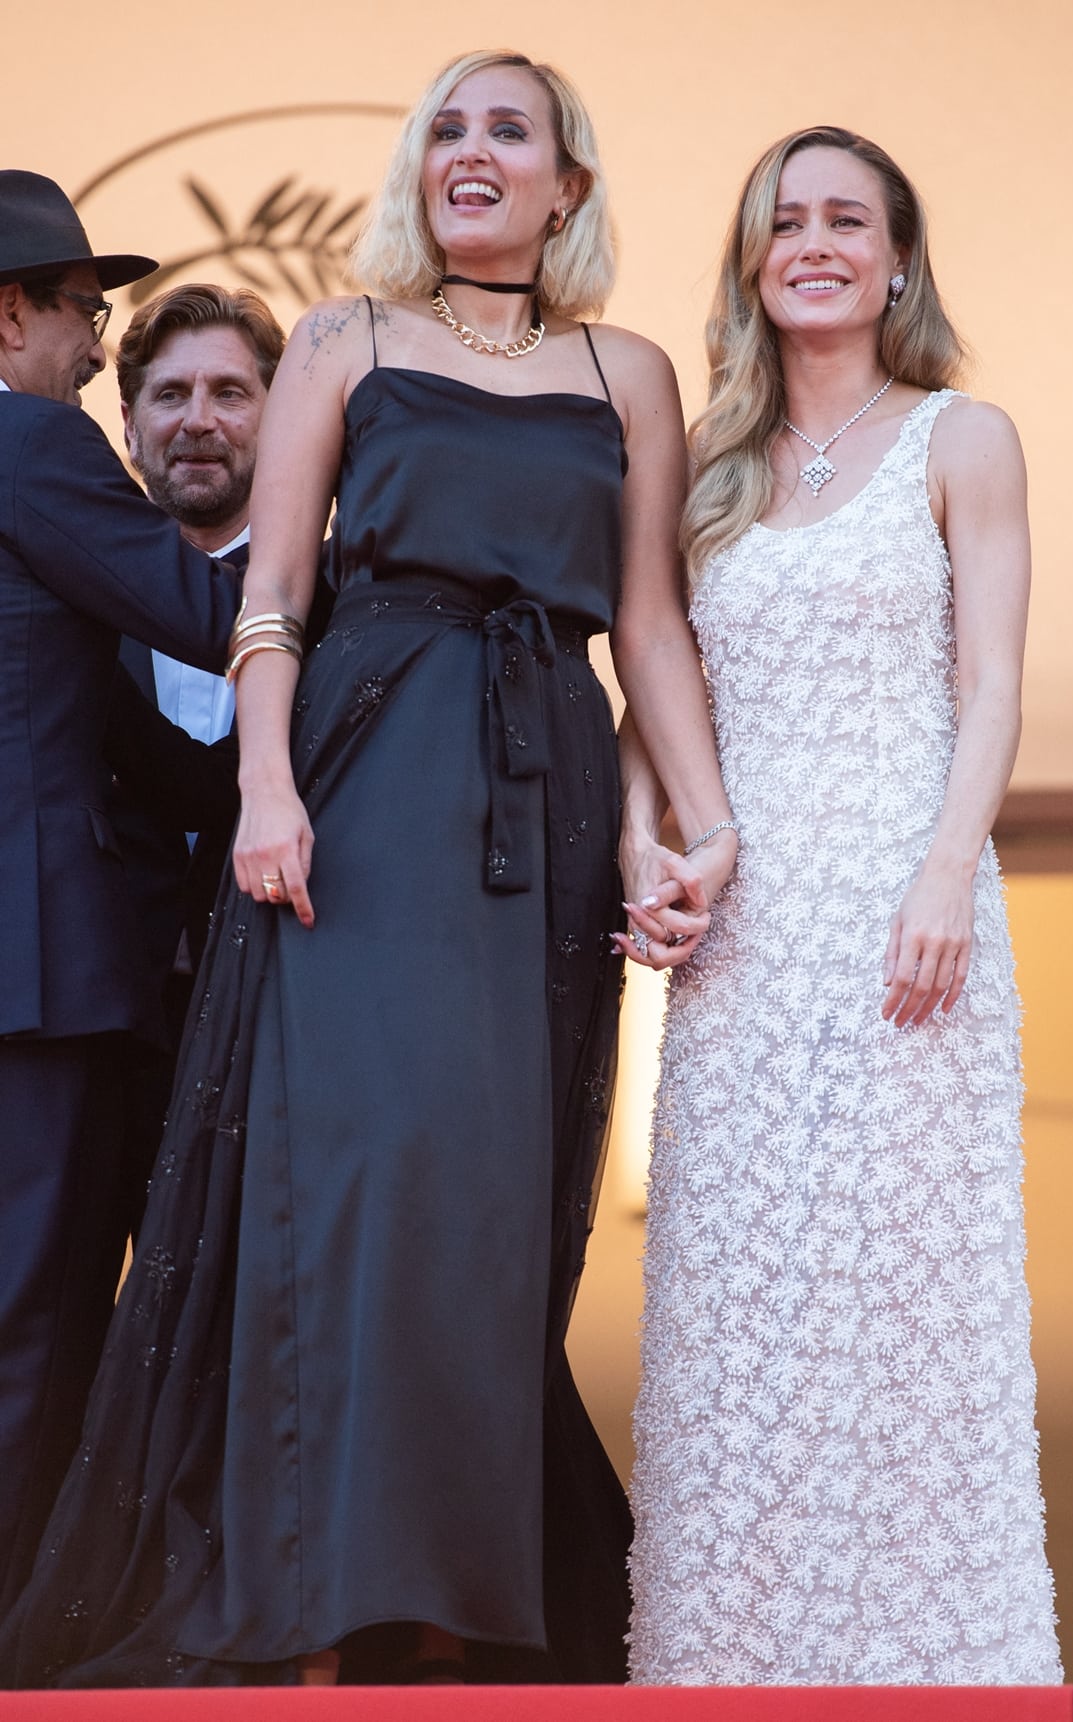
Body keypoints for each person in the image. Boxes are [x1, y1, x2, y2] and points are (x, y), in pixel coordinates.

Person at [2, 53, 735, 1688]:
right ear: (419, 174)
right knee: (349, 1186)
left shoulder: (630, 370)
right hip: (359, 777)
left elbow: (655, 624)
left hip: (538, 783)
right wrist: (268, 789)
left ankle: (444, 1626)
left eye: (511, 133)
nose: (473, 154)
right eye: (447, 131)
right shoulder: (340, 338)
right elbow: (262, 602)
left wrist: (692, 819)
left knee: (490, 1211)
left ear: (571, 186)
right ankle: (304, 1608)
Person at [621, 127, 1062, 1683]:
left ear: (896, 258)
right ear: (754, 261)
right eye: (785, 220)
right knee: (740, 1326)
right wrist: (640, 852)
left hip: (906, 927)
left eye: (846, 220)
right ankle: (726, 1670)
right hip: (740, 949)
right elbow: (651, 702)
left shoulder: (965, 438)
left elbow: (994, 681)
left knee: (899, 1306)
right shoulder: (710, 474)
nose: (814, 241)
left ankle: (941, 1672)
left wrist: (948, 865)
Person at [0, 173, 241, 1612]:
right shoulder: (32, 440)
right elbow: (211, 616)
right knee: (33, 1320)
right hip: (41, 975)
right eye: (88, 313)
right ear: (14, 310)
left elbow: (115, 729)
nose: (99, 346)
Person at [103, 285, 293, 1236]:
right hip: (101, 1036)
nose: (199, 422)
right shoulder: (63, 610)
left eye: (231, 392)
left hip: (286, 1036)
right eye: (170, 396)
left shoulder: (351, 607)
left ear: (283, 415)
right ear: (127, 425)